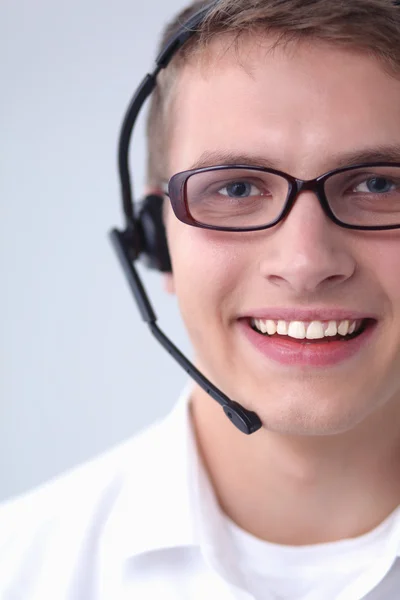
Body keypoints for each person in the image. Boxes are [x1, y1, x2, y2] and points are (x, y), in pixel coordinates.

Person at [2, 0, 400, 598]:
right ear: (155, 236)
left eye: (378, 184)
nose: (306, 264)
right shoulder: (22, 567)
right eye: (236, 188)